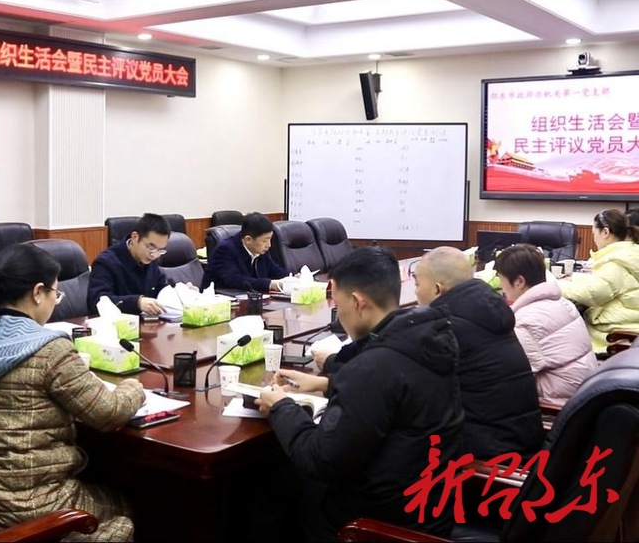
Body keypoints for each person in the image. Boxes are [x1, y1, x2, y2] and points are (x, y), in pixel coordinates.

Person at [257, 247, 464, 540]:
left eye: (338, 304)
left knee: (267, 482)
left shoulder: (373, 367)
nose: (338, 314)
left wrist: (281, 406)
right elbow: (392, 393)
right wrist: (326, 383)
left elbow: (320, 459)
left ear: (357, 302)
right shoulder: (424, 340)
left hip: (377, 524)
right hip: (427, 509)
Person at [0, 243, 145, 541]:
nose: (56, 302)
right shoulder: (50, 349)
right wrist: (133, 388)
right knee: (139, 503)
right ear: (38, 292)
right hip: (34, 510)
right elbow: (108, 413)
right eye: (56, 293)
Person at [412, 246, 543, 459]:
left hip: (485, 460)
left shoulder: (446, 329)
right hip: (522, 442)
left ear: (437, 289)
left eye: (417, 284)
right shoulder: (488, 313)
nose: (415, 292)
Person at [494, 244, 596, 403]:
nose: (501, 286)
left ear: (519, 281)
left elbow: (510, 376)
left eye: (501, 279)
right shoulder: (564, 303)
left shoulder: (525, 322)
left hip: (556, 407)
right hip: (583, 395)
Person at [560, 208, 639, 353]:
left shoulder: (616, 263)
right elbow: (609, 284)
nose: (594, 238)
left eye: (593, 233)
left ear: (605, 232)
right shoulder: (630, 253)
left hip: (614, 336)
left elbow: (590, 295)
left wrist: (555, 285)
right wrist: (573, 279)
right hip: (630, 325)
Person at [87, 213, 171, 315]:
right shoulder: (106, 262)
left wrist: (178, 292)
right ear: (135, 237)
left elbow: (161, 286)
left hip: (145, 322)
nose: (154, 254)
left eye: (160, 250)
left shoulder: (150, 258)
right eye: (151, 247)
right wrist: (137, 303)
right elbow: (96, 301)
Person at [202, 212, 290, 292]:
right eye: (265, 241)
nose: (269, 245)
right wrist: (270, 284)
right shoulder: (225, 250)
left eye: (270, 239)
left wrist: (291, 277)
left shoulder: (260, 249)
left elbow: (274, 270)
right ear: (248, 239)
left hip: (251, 298)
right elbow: (235, 280)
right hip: (222, 300)